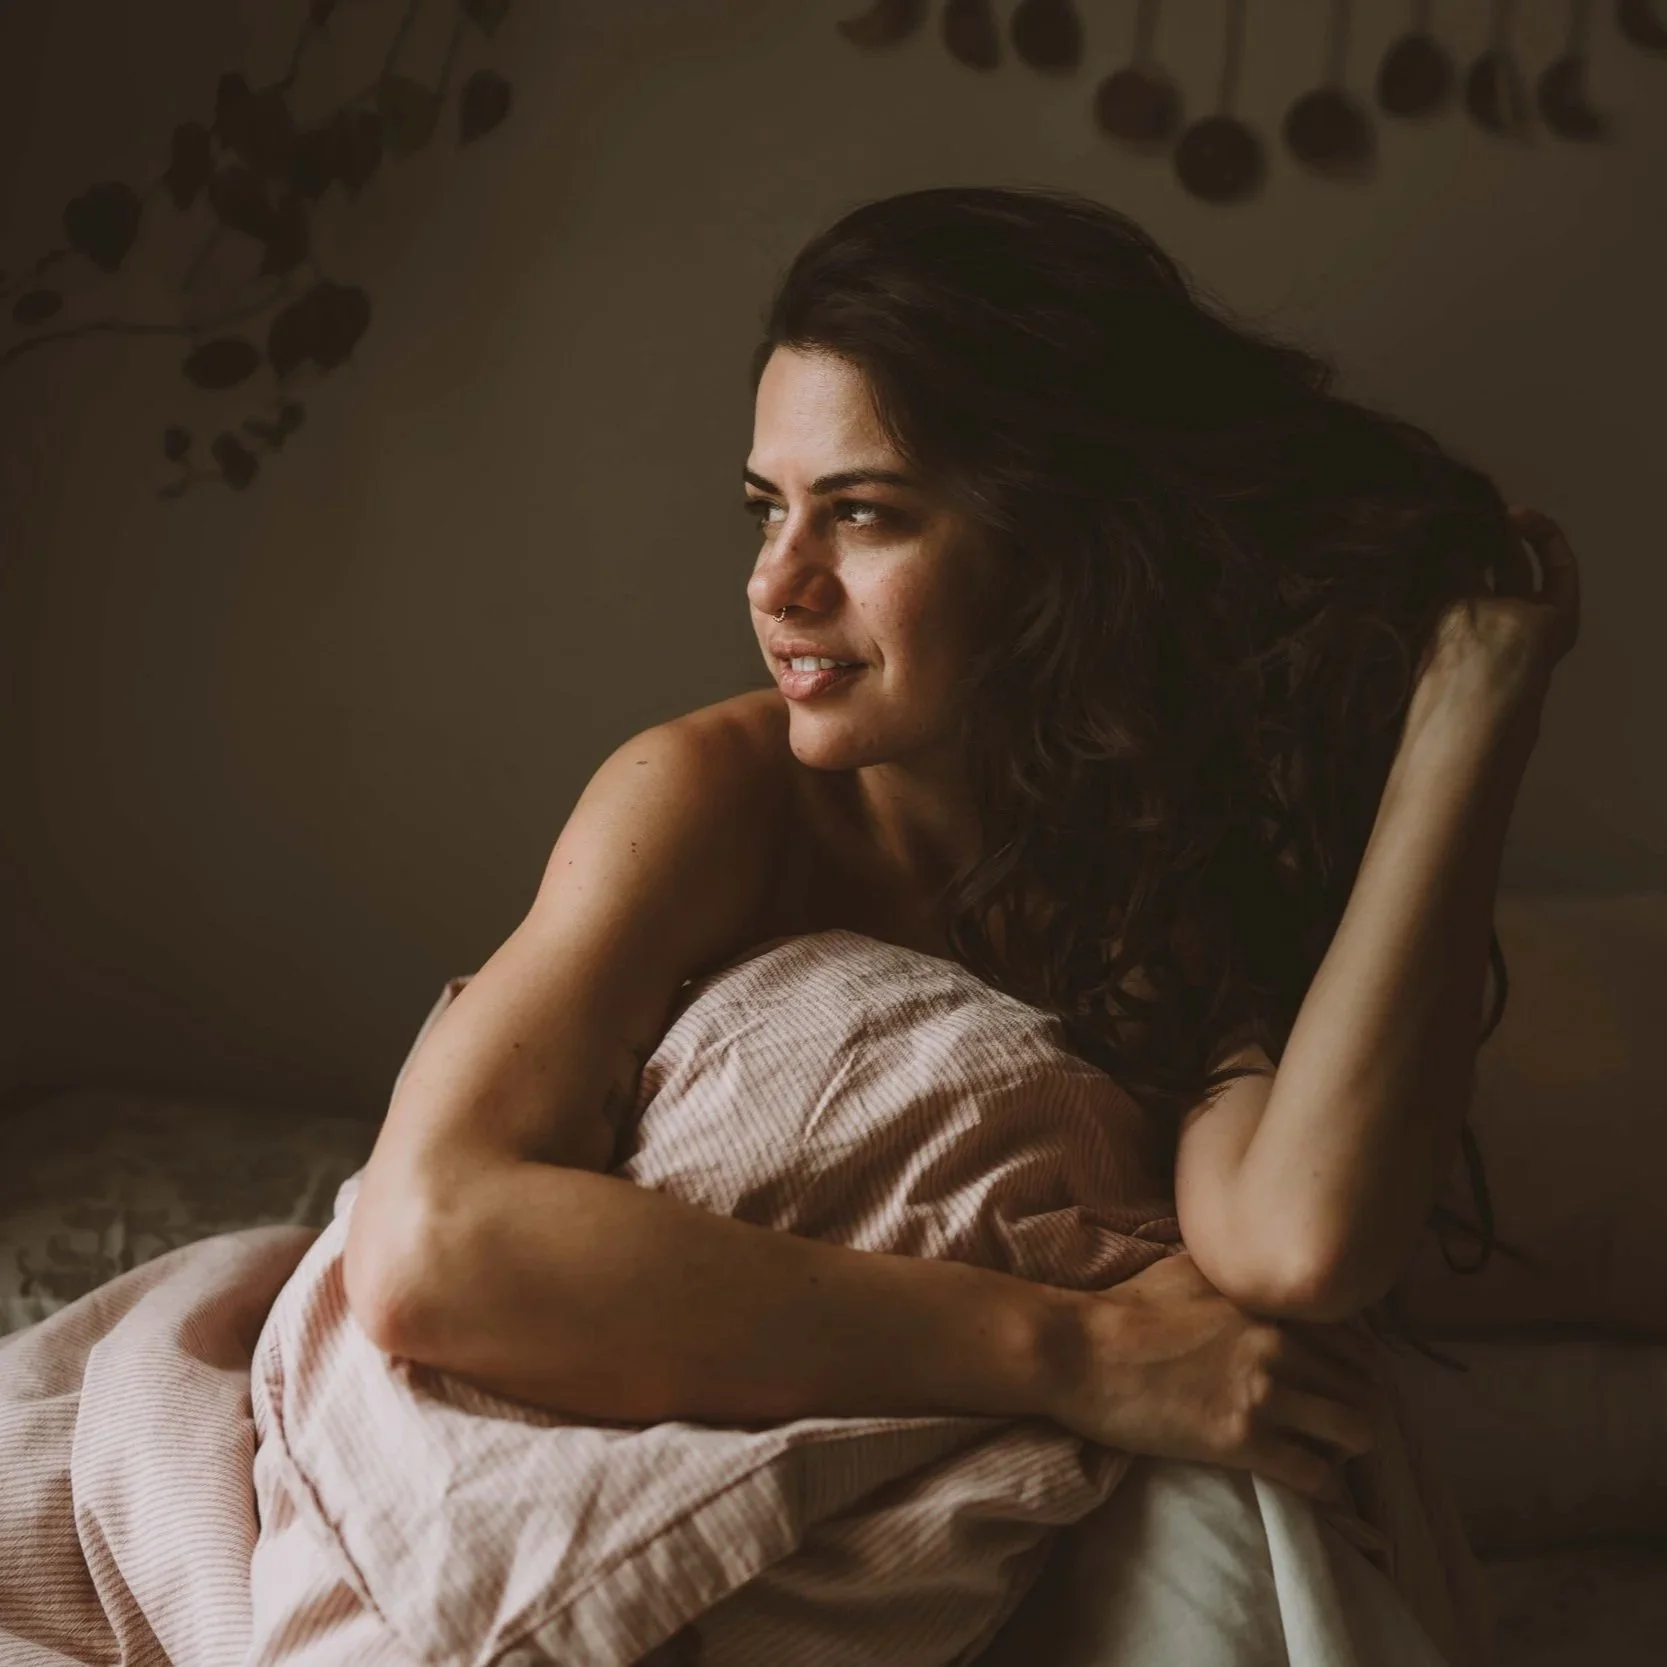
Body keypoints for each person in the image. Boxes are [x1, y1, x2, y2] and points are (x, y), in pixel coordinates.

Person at [341, 186, 1579, 1658]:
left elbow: (1293, 1247)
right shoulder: (706, 799)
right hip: (701, 1459)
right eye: (767, 509)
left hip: (1013, 1526)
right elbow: (434, 1242)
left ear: (1051, 540)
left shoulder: (1167, 867)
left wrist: (1473, 708)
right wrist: (1077, 1350)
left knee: (1236, 1452)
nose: (776, 583)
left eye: (861, 513)